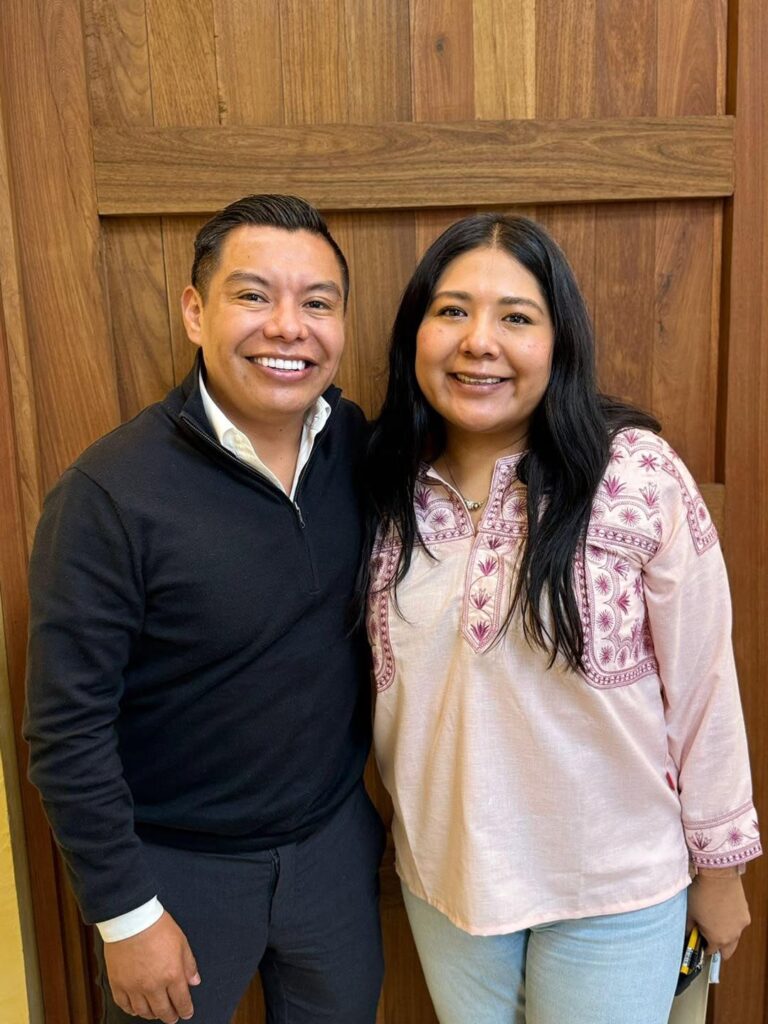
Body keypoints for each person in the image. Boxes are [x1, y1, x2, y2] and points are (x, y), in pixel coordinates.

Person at [361, 213, 760, 1024]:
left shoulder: (636, 474)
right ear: (414, 336)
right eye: (452, 310)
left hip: (612, 891)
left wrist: (722, 871)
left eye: (516, 316)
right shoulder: (380, 484)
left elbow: (705, 686)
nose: (479, 342)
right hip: (447, 884)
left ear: (559, 342)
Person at [24, 194, 384, 1024]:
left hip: (333, 850)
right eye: (253, 295)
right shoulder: (108, 495)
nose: (288, 327)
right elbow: (66, 727)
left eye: (317, 303)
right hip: (176, 871)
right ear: (195, 311)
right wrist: (125, 914)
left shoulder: (356, 444)